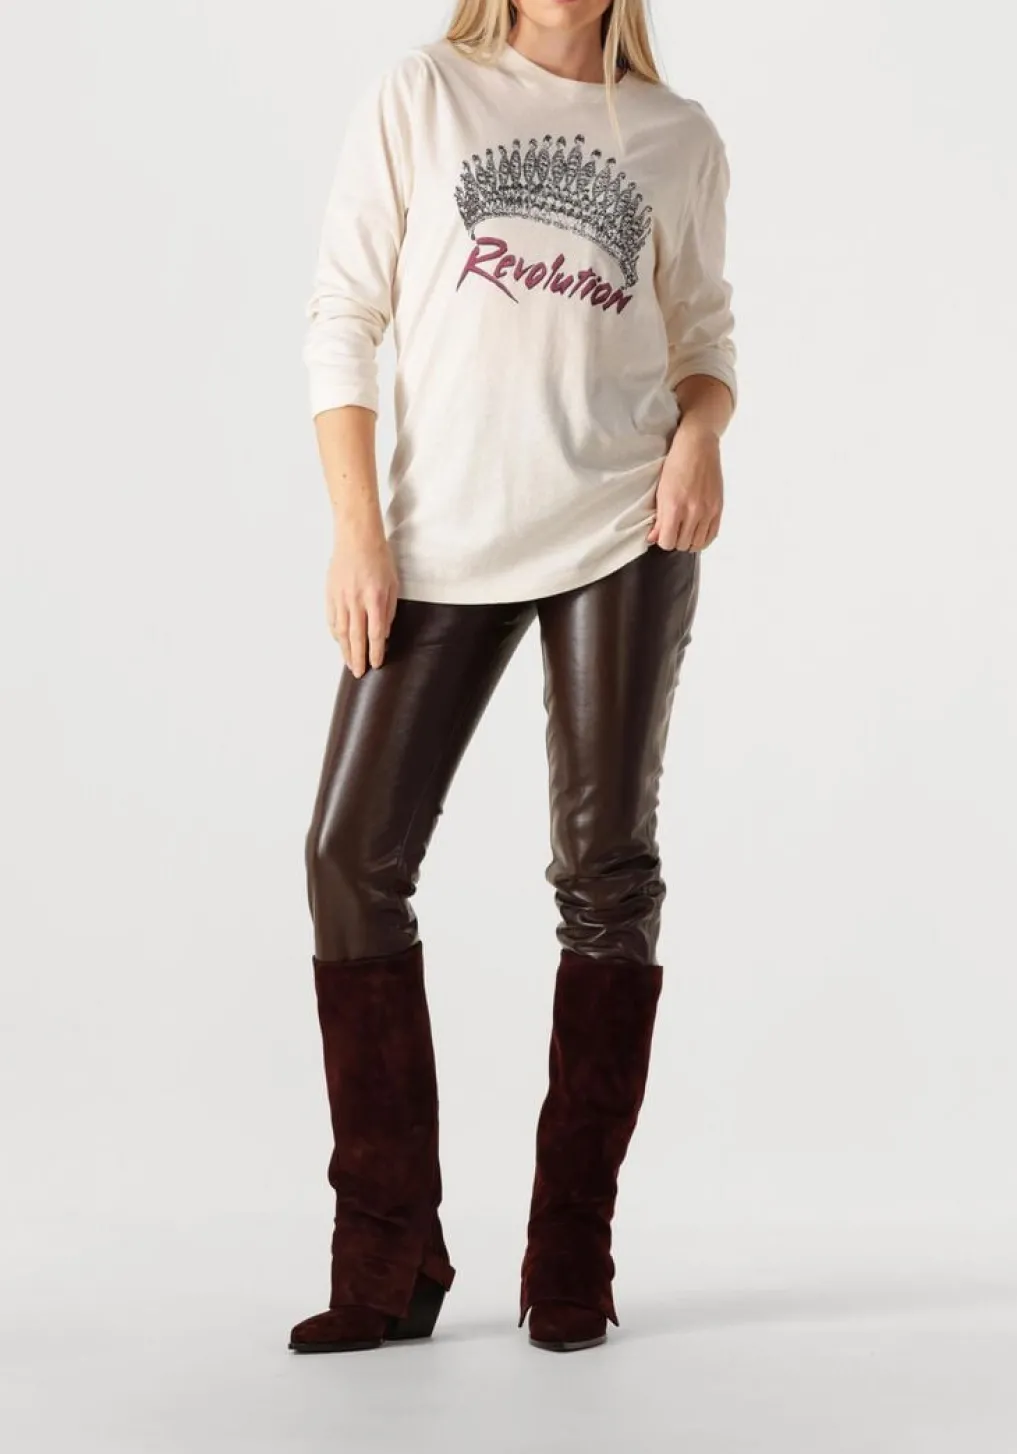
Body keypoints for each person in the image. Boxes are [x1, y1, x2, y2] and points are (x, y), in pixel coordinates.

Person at [288, 0, 736, 1356]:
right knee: (349, 855)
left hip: (621, 531)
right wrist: (359, 531)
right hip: (438, 541)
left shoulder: (677, 135)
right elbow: (342, 316)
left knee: (606, 874)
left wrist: (703, 435)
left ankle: (571, 1252)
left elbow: (704, 342)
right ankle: (389, 1249)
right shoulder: (422, 94)